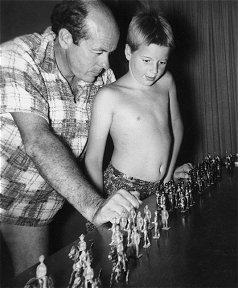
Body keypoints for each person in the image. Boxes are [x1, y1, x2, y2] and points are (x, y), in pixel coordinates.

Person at [0, 0, 192, 278]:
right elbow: (38, 142)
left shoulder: (102, 79)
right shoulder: (17, 57)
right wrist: (96, 205)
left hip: (35, 207)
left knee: (35, 280)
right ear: (66, 38)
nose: (106, 65)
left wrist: (166, 173)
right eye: (99, 51)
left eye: (110, 52)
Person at [85, 11, 186, 200]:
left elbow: (177, 127)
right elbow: (93, 159)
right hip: (122, 189)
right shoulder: (109, 96)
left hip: (161, 184)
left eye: (162, 62)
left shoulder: (166, 82)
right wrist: (100, 204)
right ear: (128, 52)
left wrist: (169, 173)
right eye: (146, 60)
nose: (154, 70)